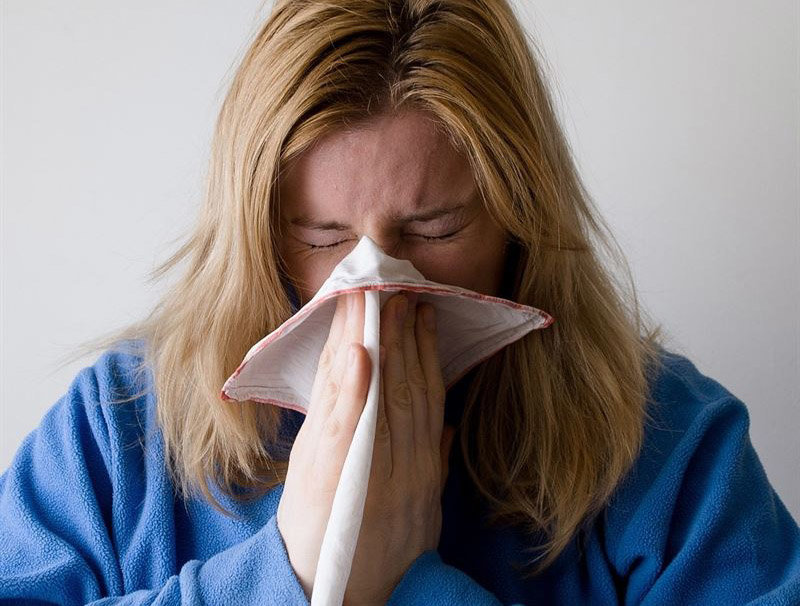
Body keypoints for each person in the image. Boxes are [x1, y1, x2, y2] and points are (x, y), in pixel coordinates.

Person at [1, 0, 798, 604]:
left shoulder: (667, 442)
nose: (375, 280)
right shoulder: (118, 430)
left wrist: (410, 582)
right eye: (320, 235)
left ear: (521, 216)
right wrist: (296, 568)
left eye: (437, 227)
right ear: (255, 231)